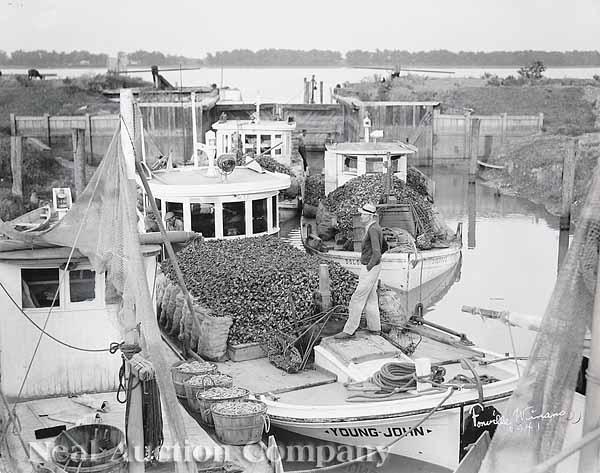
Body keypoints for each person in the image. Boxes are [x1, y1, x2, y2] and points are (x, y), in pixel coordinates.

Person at [334, 203, 384, 339]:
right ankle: (375, 328)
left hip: (370, 267)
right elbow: (385, 246)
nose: (361, 216)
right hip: (374, 267)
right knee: (371, 298)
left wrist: (369, 266)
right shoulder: (376, 227)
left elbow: (378, 252)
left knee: (357, 298)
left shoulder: (372, 230)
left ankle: (349, 330)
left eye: (363, 214)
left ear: (369, 216)